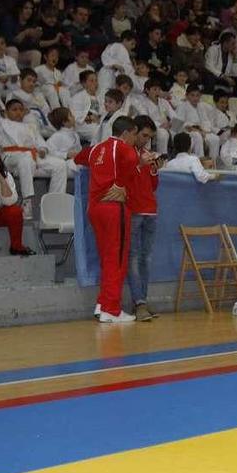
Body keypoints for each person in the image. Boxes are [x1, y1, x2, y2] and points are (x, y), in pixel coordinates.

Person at [74, 116, 146, 323]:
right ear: (126, 133)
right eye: (134, 134)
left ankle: (103, 303)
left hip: (95, 208)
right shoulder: (124, 148)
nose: (135, 140)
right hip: (114, 208)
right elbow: (132, 160)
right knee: (118, 259)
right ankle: (111, 309)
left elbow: (78, 158)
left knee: (107, 258)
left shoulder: (96, 148)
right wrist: (122, 184)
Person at [126, 116, 163, 321]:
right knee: (133, 258)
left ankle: (142, 302)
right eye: (144, 135)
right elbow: (124, 180)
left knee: (145, 259)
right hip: (133, 210)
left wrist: (155, 168)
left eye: (150, 137)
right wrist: (139, 164)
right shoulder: (125, 153)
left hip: (150, 210)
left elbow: (153, 186)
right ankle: (139, 303)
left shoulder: (146, 154)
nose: (146, 140)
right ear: (134, 132)